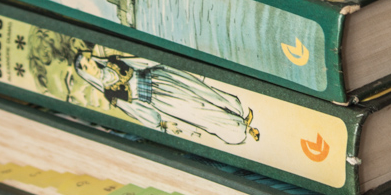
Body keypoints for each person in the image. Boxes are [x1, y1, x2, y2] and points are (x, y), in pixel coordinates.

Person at [69, 49, 260, 145]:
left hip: (161, 78)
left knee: (203, 93)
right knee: (198, 111)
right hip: (161, 100)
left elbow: (140, 62)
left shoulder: (113, 62)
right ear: (86, 74)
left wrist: (162, 63)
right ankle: (237, 129)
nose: (91, 66)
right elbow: (134, 109)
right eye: (86, 67)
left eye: (88, 61)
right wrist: (158, 123)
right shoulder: (111, 93)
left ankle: (238, 115)